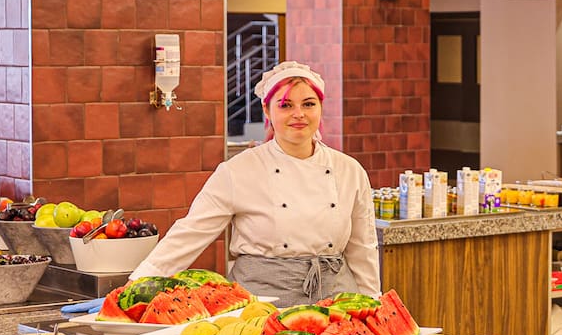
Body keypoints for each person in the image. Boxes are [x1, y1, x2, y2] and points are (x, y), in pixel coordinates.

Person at [126, 61, 379, 302]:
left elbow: (363, 248)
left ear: (321, 108)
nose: (299, 114)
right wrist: (139, 282)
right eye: (286, 105)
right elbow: (190, 233)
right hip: (261, 301)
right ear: (267, 111)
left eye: (309, 104)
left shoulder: (350, 170)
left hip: (337, 300)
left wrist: (373, 303)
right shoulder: (238, 170)